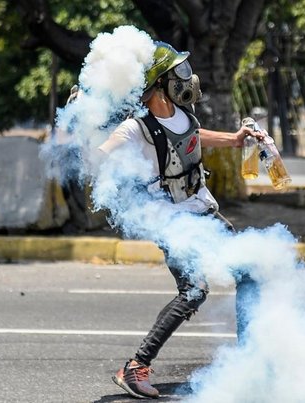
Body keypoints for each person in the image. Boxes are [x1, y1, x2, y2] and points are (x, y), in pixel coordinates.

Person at [97, 41, 263, 399]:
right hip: (172, 222)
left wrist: (235, 141)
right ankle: (135, 367)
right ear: (160, 84)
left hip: (203, 211)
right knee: (193, 292)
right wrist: (81, 142)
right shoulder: (135, 128)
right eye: (180, 73)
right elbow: (98, 156)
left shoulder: (182, 114)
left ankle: (250, 360)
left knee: (249, 272)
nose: (188, 78)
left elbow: (192, 136)